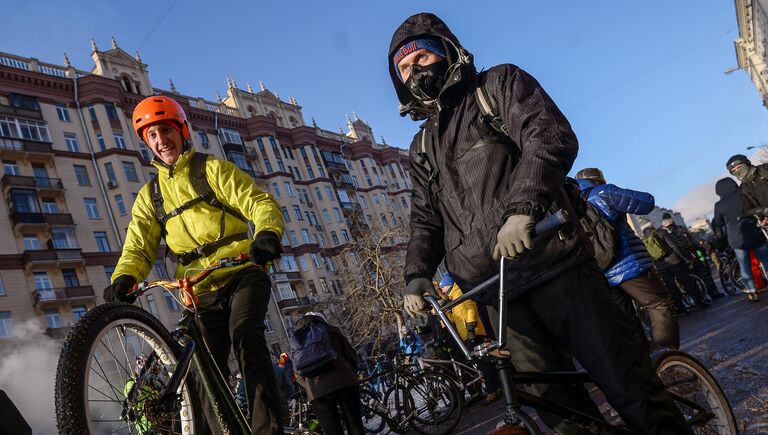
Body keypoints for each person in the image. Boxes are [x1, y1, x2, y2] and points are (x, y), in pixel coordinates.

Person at [391, 12, 691, 434]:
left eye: (422, 57)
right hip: (497, 295)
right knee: (562, 415)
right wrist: (416, 273)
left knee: (629, 385)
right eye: (404, 68)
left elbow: (548, 136)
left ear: (447, 52)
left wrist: (523, 209)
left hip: (555, 264)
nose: (414, 71)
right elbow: (426, 218)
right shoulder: (421, 146)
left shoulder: (496, 86)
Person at [103, 96, 285, 434]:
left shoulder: (210, 169)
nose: (161, 140)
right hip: (198, 288)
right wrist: (125, 276)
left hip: (241, 271)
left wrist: (267, 234)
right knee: (202, 368)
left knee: (247, 337)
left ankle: (267, 431)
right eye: (152, 136)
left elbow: (258, 202)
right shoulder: (150, 195)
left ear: (181, 130)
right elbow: (138, 245)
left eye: (165, 130)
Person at [575, 168, 679, 350]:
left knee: (627, 323)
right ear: (598, 179)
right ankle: (666, 360)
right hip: (629, 264)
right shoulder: (603, 193)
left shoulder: (572, 205)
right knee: (659, 304)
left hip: (600, 273)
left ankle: (645, 370)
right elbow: (646, 202)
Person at [293, 312, 365, 435]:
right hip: (344, 383)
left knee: (332, 431)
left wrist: (310, 387)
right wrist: (352, 373)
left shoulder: (297, 340)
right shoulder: (331, 330)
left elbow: (298, 374)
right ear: (321, 319)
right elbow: (351, 356)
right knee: (355, 426)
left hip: (317, 392)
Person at [438, 272, 500, 403]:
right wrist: (445, 314)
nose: (442, 290)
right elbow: (455, 319)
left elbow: (470, 308)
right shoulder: (453, 298)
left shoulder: (459, 293)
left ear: (449, 285)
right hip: (466, 333)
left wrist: (471, 326)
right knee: (483, 362)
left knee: (483, 363)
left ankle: (492, 390)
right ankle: (497, 386)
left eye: (443, 287)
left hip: (474, 331)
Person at [712, 177, 768, 301]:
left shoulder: (719, 205)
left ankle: (752, 292)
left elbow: (718, 222)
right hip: (754, 232)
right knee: (765, 259)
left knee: (744, 265)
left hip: (737, 238)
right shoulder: (744, 194)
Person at [659, 213, 722, 300]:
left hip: (690, 255)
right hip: (689, 254)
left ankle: (708, 295)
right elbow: (690, 240)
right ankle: (708, 295)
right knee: (698, 275)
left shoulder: (675, 229)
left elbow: (690, 240)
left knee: (700, 274)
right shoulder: (674, 230)